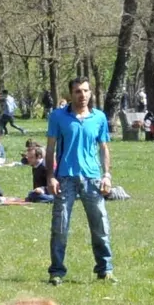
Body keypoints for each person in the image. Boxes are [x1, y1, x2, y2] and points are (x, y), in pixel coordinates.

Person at [42, 77, 114, 284]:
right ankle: (56, 271)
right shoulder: (58, 117)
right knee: (60, 228)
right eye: (77, 92)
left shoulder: (99, 118)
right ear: (70, 94)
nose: (82, 95)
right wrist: (51, 177)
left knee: (100, 226)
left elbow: (103, 148)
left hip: (92, 178)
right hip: (65, 178)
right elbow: (50, 149)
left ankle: (105, 269)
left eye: (85, 91)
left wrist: (106, 175)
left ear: (90, 93)